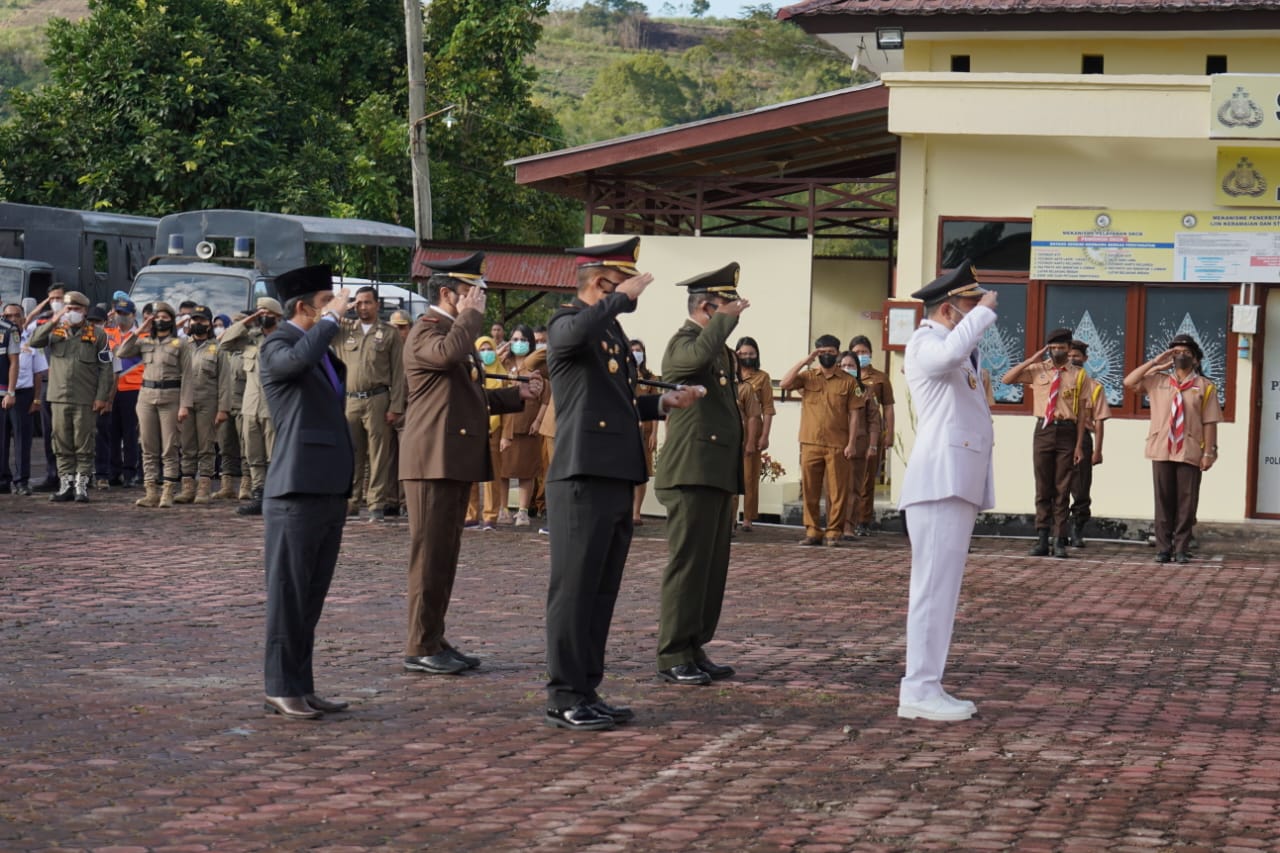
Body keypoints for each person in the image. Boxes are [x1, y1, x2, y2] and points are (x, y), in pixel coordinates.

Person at [543, 236, 704, 730]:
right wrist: (620, 297)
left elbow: (615, 402)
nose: (629, 295)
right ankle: (564, 694)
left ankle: (588, 687)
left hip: (616, 472)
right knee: (574, 590)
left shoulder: (608, 331)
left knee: (601, 590)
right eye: (618, 284)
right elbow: (573, 336)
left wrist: (662, 404)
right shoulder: (567, 322)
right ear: (599, 283)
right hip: (581, 474)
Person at [400, 253, 537, 677]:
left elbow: (469, 395)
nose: (477, 301)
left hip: (452, 457)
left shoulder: (451, 333)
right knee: (429, 555)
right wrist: (471, 318)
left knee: (445, 555)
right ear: (447, 294)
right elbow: (445, 355)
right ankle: (419, 644)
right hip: (431, 458)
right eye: (470, 293)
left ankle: (434, 636)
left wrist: (518, 396)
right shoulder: (427, 332)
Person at [897, 263, 998, 722]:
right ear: (948, 309)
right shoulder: (925, 343)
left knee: (942, 590)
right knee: (933, 590)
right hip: (938, 480)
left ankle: (928, 684)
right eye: (970, 304)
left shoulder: (959, 351)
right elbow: (943, 359)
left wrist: (973, 323)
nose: (979, 310)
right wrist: (981, 318)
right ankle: (918, 688)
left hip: (956, 480)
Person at [259, 264, 355, 720]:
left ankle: (303, 685)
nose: (339, 309)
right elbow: (293, 363)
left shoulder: (324, 354)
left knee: (312, 596)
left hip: (327, 486)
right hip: (294, 489)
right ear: (303, 307)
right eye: (327, 302)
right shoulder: (278, 344)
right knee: (289, 594)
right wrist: (331, 320)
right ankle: (280, 685)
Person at [654, 262, 748, 686]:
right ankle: (673, 652)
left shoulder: (719, 348)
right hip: (691, 471)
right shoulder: (686, 341)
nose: (736, 311)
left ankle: (694, 645)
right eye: (727, 306)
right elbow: (680, 368)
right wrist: (723, 325)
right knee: (688, 565)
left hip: (714, 471)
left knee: (711, 568)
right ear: (707, 307)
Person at [1123, 334, 1222, 564]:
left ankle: (1181, 548)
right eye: (1176, 352)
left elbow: (1210, 422)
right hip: (1162, 447)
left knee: (1187, 502)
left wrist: (1209, 452)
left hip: (1189, 448)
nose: (1181, 356)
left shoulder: (1205, 387)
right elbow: (1129, 382)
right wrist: (1157, 362)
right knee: (1163, 500)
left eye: (1187, 353)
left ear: (1196, 360)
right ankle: (1163, 548)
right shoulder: (1158, 380)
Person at [1001, 328, 1087, 558]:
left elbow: (1082, 415)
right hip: (1044, 429)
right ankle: (1041, 538)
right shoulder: (1038, 370)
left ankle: (1059, 540)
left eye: (1061, 347)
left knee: (1062, 487)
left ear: (1069, 349)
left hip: (1067, 431)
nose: (1057, 351)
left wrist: (1079, 445)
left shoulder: (1079, 375)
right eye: (1053, 348)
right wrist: (1031, 360)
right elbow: (1007, 378)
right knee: (1043, 486)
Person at [27, 291, 113, 502]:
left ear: (84, 311)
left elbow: (106, 367)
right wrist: (54, 319)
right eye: (68, 309)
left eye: (75, 309)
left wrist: (102, 396)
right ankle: (65, 483)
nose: (71, 313)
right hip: (58, 396)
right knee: (60, 441)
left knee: (84, 442)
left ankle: (81, 484)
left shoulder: (98, 334)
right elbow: (34, 341)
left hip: (85, 397)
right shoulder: (56, 329)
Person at [779, 334, 862, 547]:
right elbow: (785, 383)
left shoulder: (849, 381)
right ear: (817, 354)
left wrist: (852, 443)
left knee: (837, 491)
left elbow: (854, 415)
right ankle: (812, 531)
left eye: (831, 353)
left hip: (838, 443)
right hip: (810, 442)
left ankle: (834, 532)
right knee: (809, 489)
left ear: (837, 353)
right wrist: (805, 361)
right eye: (822, 353)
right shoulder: (808, 376)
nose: (827, 356)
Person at [338, 286, 406, 522]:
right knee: (350, 454)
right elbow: (317, 321)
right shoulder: (344, 329)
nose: (362, 307)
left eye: (367, 302)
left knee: (379, 455)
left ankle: (376, 501)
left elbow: (399, 373)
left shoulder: (389, 333)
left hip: (378, 399)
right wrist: (343, 306)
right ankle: (351, 500)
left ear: (377, 304)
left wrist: (396, 406)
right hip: (350, 401)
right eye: (358, 303)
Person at [117, 303, 189, 508]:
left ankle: (167, 491)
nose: (160, 320)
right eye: (157, 317)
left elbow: (188, 377)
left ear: (172, 321)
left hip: (171, 397)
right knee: (147, 446)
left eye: (165, 317)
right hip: (147, 397)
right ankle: (151, 492)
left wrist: (185, 405)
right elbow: (122, 352)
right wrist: (140, 329)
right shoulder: (144, 341)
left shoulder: (180, 344)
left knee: (169, 447)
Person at [220, 299, 283, 516]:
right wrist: (247, 321)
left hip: (274, 406)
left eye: (266, 312)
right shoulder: (250, 338)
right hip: (250, 406)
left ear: (278, 315)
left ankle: (276, 496)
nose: (262, 316)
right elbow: (224, 342)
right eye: (260, 312)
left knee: (274, 455)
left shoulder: (285, 339)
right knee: (253, 455)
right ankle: (259, 495)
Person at [173, 306, 230, 505]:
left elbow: (224, 381)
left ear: (209, 324)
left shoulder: (218, 348)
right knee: (186, 445)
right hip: (185, 402)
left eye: (202, 321)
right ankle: (188, 487)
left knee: (206, 446)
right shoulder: (182, 345)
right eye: (194, 320)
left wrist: (223, 408)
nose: (198, 324)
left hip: (208, 401)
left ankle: (204, 488)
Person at [498, 323, 548, 527]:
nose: (519, 343)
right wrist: (500, 353)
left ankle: (523, 511)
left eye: (524, 340)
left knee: (526, 470)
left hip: (528, 422)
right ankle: (502, 509)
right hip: (505, 423)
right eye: (516, 339)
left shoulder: (536, 365)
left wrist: (538, 421)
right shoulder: (505, 363)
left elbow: (546, 397)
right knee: (503, 469)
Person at [848, 335, 894, 535]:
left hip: (871, 434)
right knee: (847, 480)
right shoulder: (845, 376)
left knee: (867, 480)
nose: (860, 356)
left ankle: (863, 520)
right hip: (847, 435)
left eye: (864, 352)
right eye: (856, 352)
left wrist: (889, 433)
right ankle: (845, 520)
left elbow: (888, 408)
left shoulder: (880, 378)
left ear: (871, 354)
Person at [1067, 340, 1110, 547]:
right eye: (1069, 355)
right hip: (1061, 436)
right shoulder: (1055, 382)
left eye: (1076, 356)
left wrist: (1098, 450)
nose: (1072, 359)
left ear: (1085, 359)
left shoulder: (1094, 387)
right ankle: (1057, 531)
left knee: (1081, 487)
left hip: (1083, 440)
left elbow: (1100, 421)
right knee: (1057, 486)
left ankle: (1077, 529)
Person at [837, 351, 882, 541]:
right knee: (835, 488)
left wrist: (872, 446)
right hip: (835, 443)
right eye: (843, 365)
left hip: (858, 446)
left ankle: (849, 526)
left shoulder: (866, 391)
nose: (847, 369)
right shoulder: (830, 388)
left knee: (854, 489)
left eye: (851, 365)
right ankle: (834, 525)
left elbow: (874, 421)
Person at [465, 335, 506, 531]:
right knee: (470, 473)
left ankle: (490, 515)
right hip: (474, 428)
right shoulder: (472, 373)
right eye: (482, 349)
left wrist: (507, 434)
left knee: (493, 476)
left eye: (490, 349)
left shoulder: (503, 374)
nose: (486, 353)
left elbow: (508, 409)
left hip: (495, 430)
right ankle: (471, 514)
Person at [3, 303, 45, 494]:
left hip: (23, 394)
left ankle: (22, 481)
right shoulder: (3, 338)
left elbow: (38, 373)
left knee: (23, 440)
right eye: (8, 316)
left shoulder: (32, 341)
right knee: (1, 439)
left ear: (23, 317)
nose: (12, 319)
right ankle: (3, 480)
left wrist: (36, 399)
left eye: (16, 316)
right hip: (2, 393)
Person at [102, 298, 143, 488]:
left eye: (125, 314)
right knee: (112, 431)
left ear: (133, 315)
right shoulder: (108, 333)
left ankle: (130, 472)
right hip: (112, 389)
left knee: (130, 433)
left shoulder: (142, 335)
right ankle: (114, 471)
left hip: (133, 388)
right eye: (119, 313)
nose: (121, 317)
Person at [734, 336, 774, 532]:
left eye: (751, 353)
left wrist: (764, 436)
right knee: (731, 476)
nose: (747, 357)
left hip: (753, 432)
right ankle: (730, 517)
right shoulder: (730, 376)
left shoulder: (762, 377)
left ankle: (748, 518)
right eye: (743, 353)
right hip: (731, 431)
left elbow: (768, 409)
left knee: (750, 477)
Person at [211, 312, 247, 500]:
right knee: (225, 447)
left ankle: (247, 485)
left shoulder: (251, 349)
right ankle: (227, 485)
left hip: (245, 406)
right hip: (226, 406)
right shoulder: (224, 350)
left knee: (246, 448)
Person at [630, 338, 661, 525]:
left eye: (639, 350)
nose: (636, 353)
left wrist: (655, 434)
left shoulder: (651, 378)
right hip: (627, 429)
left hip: (646, 430)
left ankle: (636, 512)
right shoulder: (623, 374)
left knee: (642, 472)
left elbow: (657, 406)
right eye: (632, 350)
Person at [0, 303, 20, 493]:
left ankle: (3, 479)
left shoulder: (8, 330)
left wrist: (11, 392)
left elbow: (14, 362)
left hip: (2, 392)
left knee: (2, 439)